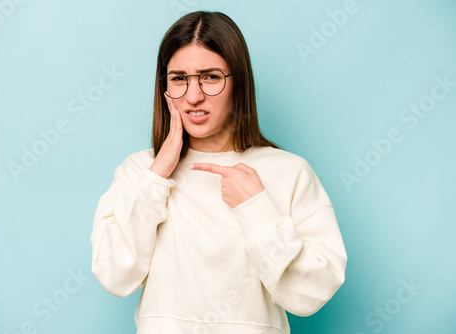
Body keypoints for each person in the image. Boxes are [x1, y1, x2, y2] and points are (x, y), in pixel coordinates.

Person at [90, 10, 347, 334]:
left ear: (237, 82)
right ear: (164, 85)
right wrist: (156, 177)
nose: (194, 97)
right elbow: (115, 274)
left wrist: (257, 207)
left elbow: (313, 292)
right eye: (179, 78)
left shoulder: (289, 171)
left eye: (211, 77)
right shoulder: (140, 171)